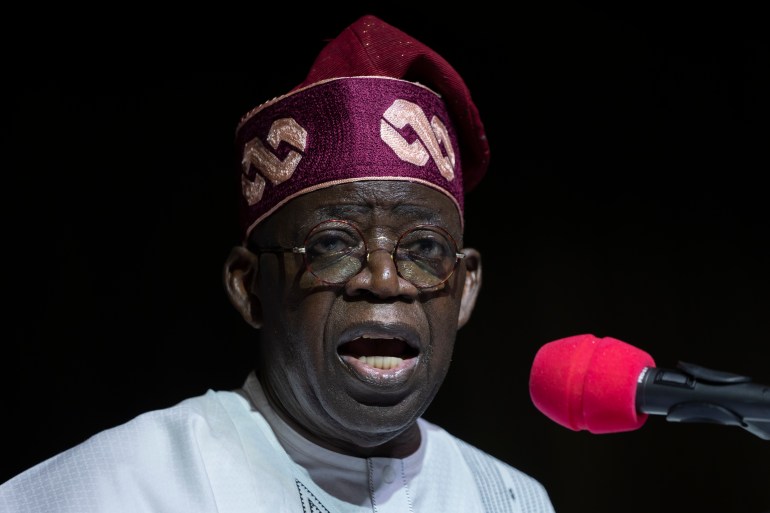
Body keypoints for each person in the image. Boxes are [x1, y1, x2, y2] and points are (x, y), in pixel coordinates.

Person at [0, 14, 556, 513]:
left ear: (465, 287)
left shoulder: (510, 500)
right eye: (334, 245)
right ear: (249, 286)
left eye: (424, 249)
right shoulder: (121, 488)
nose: (385, 282)